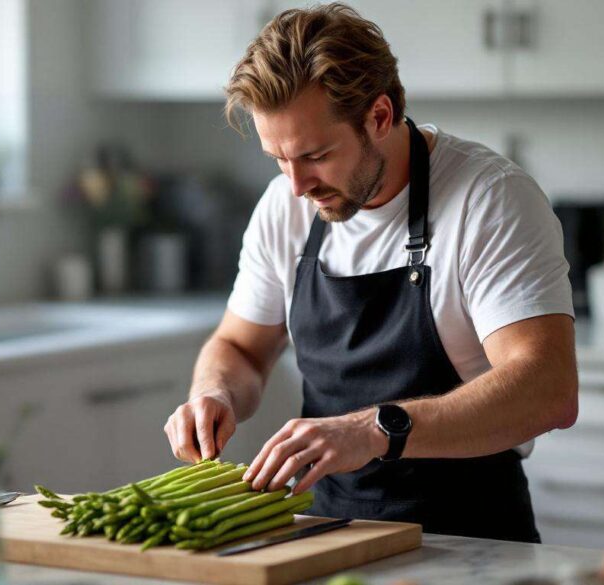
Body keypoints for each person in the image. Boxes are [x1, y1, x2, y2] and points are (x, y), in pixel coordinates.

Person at [163, 3, 578, 543]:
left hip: (469, 540)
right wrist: (215, 394)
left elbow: (548, 389)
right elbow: (240, 348)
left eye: (315, 154)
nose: (297, 186)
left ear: (379, 116)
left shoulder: (489, 199)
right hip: (329, 532)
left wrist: (374, 429)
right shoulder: (284, 206)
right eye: (278, 159)